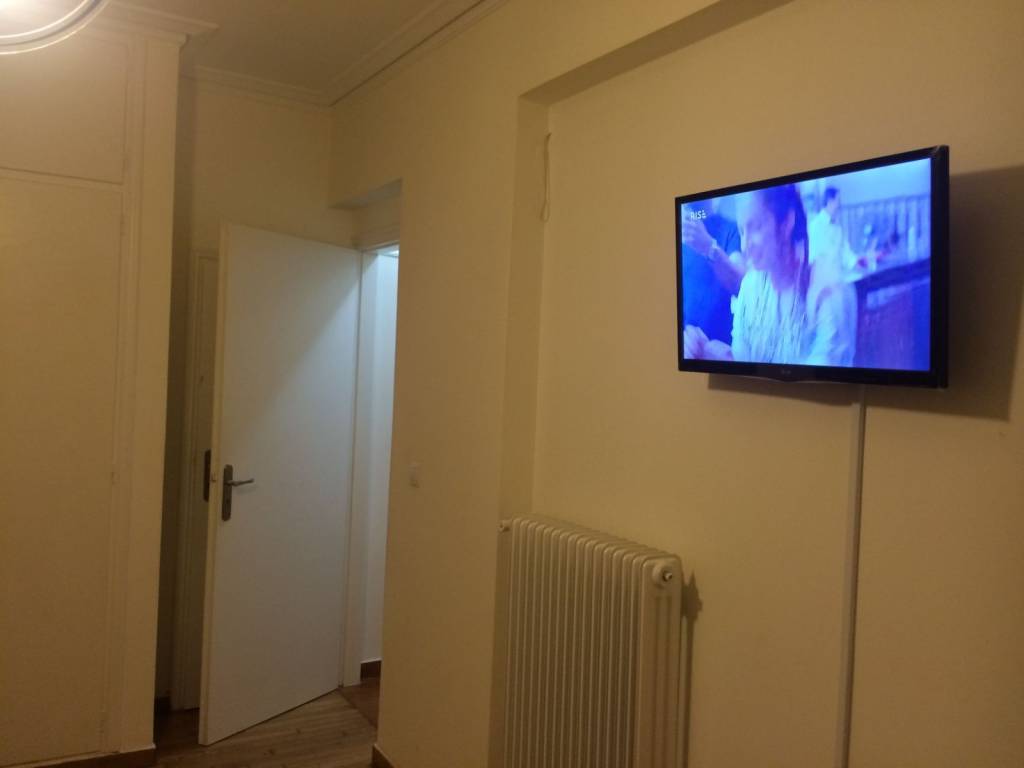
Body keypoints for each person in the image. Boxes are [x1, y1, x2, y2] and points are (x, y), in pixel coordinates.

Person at [683, 184, 856, 366]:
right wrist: (707, 350)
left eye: (755, 227)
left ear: (786, 222)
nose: (745, 246)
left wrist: (710, 249)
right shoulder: (751, 286)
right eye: (742, 231)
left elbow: (821, 374)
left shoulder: (826, 291)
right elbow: (746, 364)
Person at [680, 197, 745, 344]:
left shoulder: (730, 229)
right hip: (685, 349)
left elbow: (741, 288)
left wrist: (709, 247)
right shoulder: (676, 235)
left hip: (722, 350)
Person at [808, 186, 857, 272]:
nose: (840, 205)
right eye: (838, 201)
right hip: (822, 275)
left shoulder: (837, 227)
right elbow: (813, 257)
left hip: (837, 274)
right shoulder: (815, 226)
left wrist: (856, 262)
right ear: (830, 201)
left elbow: (844, 250)